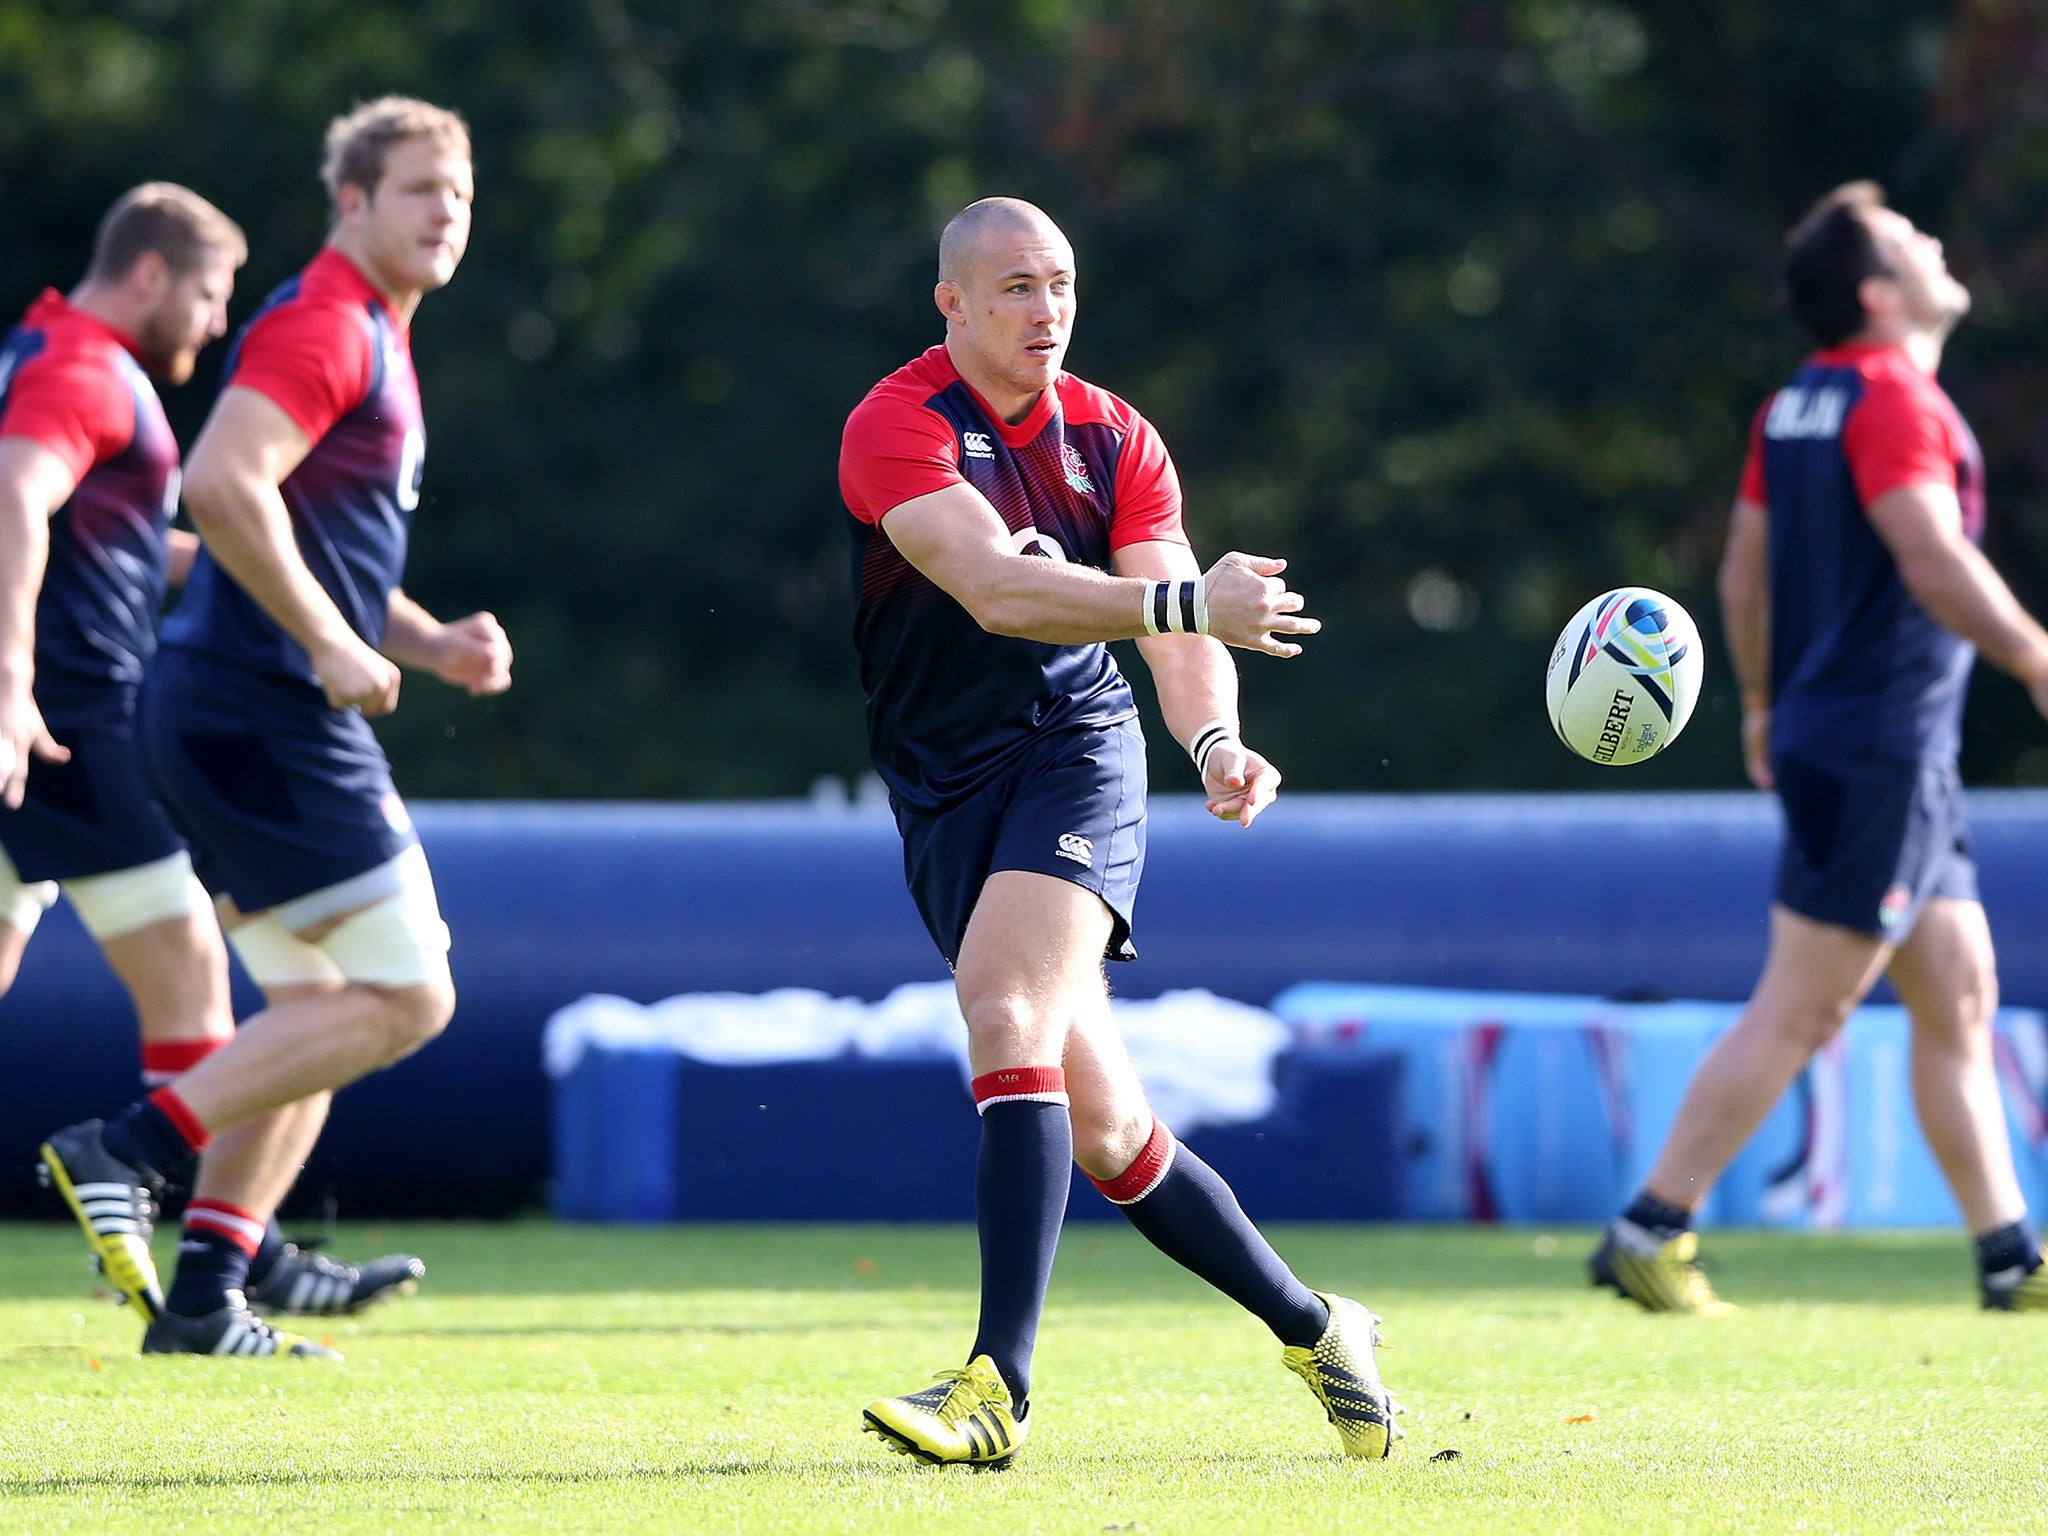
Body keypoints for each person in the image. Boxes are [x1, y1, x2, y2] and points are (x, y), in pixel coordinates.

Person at [838, 197, 1399, 1466]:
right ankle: (1318, 1328)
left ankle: (996, 1388)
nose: (1047, 312)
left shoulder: (1115, 435)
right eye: (1017, 289)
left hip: (1073, 756)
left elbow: (1174, 624)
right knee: (1107, 1133)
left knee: (1001, 1008)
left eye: (1062, 285)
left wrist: (1209, 741)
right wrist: (1185, 596)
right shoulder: (896, 427)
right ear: (954, 305)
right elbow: (990, 588)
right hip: (938, 786)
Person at [40, 97, 511, 1360]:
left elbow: (308, 539)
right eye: (417, 189)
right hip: (261, 714)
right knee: (411, 998)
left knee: (312, 1008)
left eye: (457, 194)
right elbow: (221, 481)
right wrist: (326, 643)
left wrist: (422, 641)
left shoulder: (373, 335)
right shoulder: (326, 321)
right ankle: (123, 1150)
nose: (443, 212)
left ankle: (206, 1293)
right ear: (350, 202)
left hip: (222, 714)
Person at [1591, 181, 2048, 1314]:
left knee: (1958, 994)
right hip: (1876, 747)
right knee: (1804, 1005)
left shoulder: (1795, 401)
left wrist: (1756, 704)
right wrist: (2037, 658)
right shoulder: (1893, 395)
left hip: (1866, 744)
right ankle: (1648, 1227)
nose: (1938, 245)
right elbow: (1931, 561)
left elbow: (1742, 571)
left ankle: (2008, 1258)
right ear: (1878, 293)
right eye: (1911, 240)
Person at [2, 184, 424, 1339]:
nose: (209, 318)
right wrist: (10, 680)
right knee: (230, 978)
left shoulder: (33, 345)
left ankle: (228, 1250)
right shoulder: (85, 368)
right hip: (63, 724)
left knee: (265, 988)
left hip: (53, 721)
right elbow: (18, 502)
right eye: (207, 292)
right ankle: (198, 1233)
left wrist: (414, 634)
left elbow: (151, 546)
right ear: (150, 274)